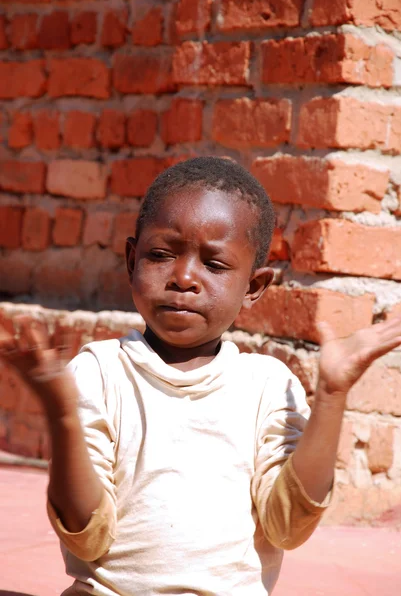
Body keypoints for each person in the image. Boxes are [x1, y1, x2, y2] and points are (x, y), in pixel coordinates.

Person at [0, 157, 400, 596]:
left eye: (214, 264)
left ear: (254, 286)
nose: (184, 278)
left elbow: (287, 528)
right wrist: (63, 418)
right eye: (161, 255)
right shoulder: (100, 372)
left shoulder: (266, 386)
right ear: (132, 260)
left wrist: (332, 394)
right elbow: (87, 536)